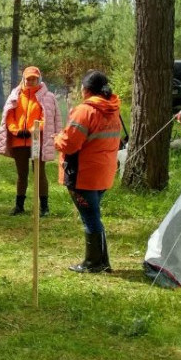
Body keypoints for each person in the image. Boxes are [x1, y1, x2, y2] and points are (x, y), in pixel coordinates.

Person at [54, 70, 122, 274]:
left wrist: (57, 138)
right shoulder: (113, 109)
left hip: (84, 173)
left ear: (86, 89)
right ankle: (102, 261)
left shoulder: (85, 111)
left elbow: (70, 144)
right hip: (104, 171)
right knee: (94, 216)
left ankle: (94, 263)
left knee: (90, 218)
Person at [0, 66, 62, 216]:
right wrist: (16, 130)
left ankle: (44, 207)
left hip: (37, 140)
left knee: (39, 173)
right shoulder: (16, 94)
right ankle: (19, 206)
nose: (31, 81)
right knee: (21, 174)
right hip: (18, 140)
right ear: (24, 79)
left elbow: (48, 118)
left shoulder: (47, 97)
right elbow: (9, 115)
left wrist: (32, 131)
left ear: (39, 79)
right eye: (28, 79)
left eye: (34, 79)